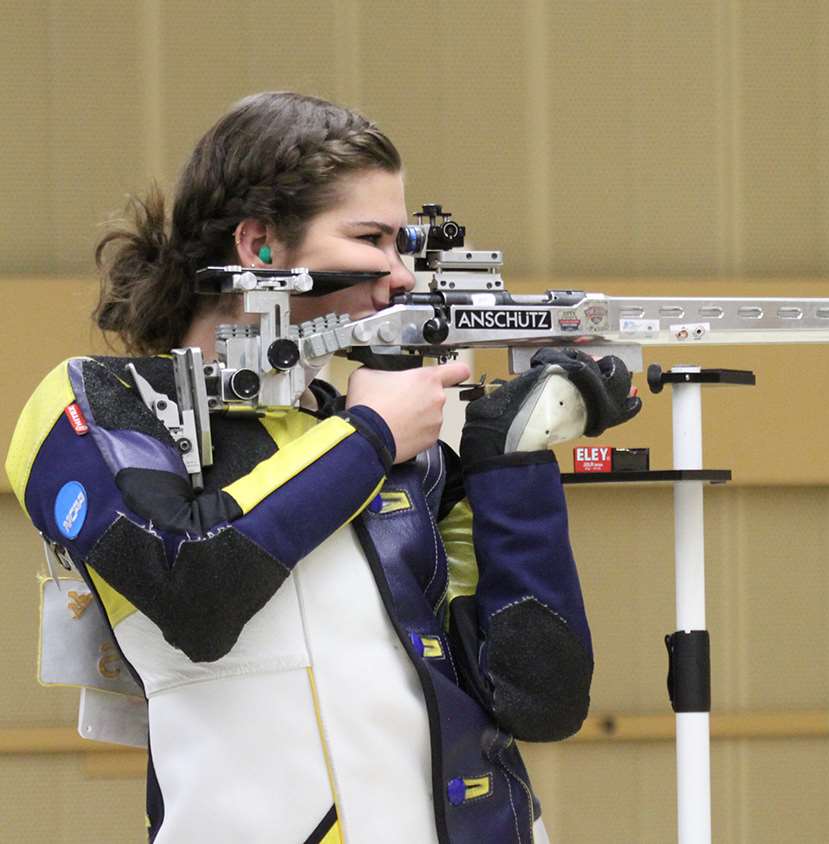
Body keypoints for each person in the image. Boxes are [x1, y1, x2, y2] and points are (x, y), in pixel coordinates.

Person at [5, 92, 639, 843]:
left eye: (403, 244)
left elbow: (542, 700)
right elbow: (192, 591)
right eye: (372, 237)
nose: (400, 275)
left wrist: (512, 460)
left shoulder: (388, 435)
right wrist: (367, 434)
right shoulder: (101, 404)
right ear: (260, 247)